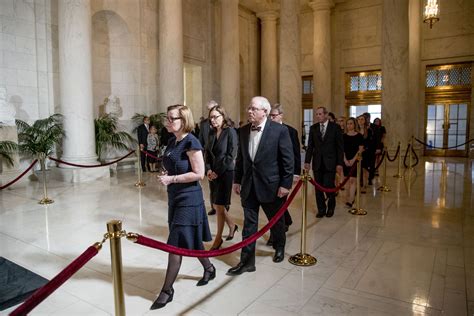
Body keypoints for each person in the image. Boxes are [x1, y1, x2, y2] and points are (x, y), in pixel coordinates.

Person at [151, 105, 215, 310]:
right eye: (167, 118)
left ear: (183, 119)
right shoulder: (172, 141)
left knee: (176, 244)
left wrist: (172, 179)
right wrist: (166, 172)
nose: (168, 122)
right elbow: (171, 162)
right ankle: (209, 267)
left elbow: (199, 174)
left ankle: (167, 290)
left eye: (172, 119)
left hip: (189, 200)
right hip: (175, 198)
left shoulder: (191, 141)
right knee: (190, 239)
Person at [227, 96, 294, 276]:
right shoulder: (242, 131)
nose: (249, 111)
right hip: (249, 186)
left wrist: (285, 184)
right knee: (249, 225)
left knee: (276, 221)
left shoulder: (279, 131)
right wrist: (237, 180)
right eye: (249, 108)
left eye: (254, 108)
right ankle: (247, 262)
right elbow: (241, 160)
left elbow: (288, 161)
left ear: (265, 111)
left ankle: (279, 246)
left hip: (271, 185)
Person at [205, 105, 239, 250]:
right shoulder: (212, 133)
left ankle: (218, 239)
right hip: (213, 174)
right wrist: (208, 170)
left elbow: (231, 155)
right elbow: (207, 154)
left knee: (220, 205)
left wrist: (217, 172)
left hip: (225, 173)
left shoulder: (230, 132)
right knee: (217, 205)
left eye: (215, 117)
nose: (213, 120)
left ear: (223, 117)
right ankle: (232, 225)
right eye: (211, 117)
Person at [267, 104, 300, 245]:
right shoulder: (266, 130)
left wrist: (295, 173)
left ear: (281, 115)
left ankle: (275, 236)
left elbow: (295, 155)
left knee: (279, 204)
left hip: (285, 173)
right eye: (270, 115)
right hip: (270, 174)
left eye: (274, 115)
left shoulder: (291, 131)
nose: (272, 118)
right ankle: (286, 221)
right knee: (274, 204)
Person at [304, 106, 344, 218]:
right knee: (318, 187)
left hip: (330, 162)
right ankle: (321, 209)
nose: (318, 116)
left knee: (328, 186)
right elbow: (310, 146)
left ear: (326, 114)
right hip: (317, 163)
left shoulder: (335, 128)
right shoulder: (313, 128)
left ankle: (331, 207)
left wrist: (339, 163)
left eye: (320, 114)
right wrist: (307, 161)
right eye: (316, 114)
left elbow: (340, 148)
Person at [199, 100, 220, 216]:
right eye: (209, 109)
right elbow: (201, 140)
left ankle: (223, 207)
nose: (211, 112)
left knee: (221, 185)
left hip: (220, 158)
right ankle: (214, 207)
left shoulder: (225, 123)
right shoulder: (204, 124)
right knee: (212, 184)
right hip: (209, 157)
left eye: (213, 108)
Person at [343, 118, 364, 207]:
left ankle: (350, 200)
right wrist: (345, 160)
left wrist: (353, 160)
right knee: (347, 180)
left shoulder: (359, 136)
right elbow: (341, 150)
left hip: (355, 161)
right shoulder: (343, 136)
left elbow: (360, 149)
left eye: (351, 123)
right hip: (345, 160)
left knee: (353, 180)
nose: (349, 125)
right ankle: (349, 197)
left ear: (354, 125)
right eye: (348, 124)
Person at [357, 114, 374, 192]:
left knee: (365, 169)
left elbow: (371, 142)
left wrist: (364, 149)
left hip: (367, 153)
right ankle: (359, 184)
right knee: (358, 170)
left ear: (365, 120)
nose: (360, 121)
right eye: (359, 119)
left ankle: (364, 185)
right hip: (357, 153)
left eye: (362, 119)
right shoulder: (356, 130)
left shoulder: (369, 130)